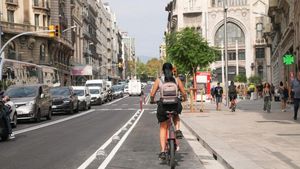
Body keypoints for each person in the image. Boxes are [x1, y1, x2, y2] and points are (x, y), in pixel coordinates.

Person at [150, 62, 187, 160]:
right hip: (175, 104)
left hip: (163, 106)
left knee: (163, 127)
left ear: (162, 70)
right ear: (172, 70)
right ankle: (178, 130)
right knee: (176, 115)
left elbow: (152, 93)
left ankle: (162, 151)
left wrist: (152, 100)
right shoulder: (177, 79)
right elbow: (183, 92)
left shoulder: (159, 80)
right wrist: (184, 98)